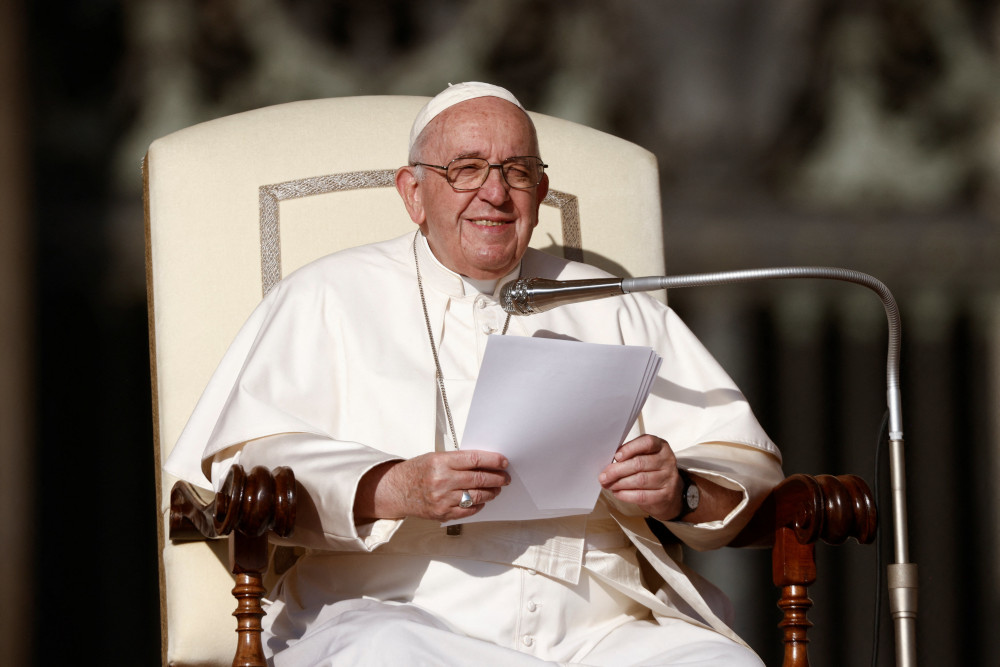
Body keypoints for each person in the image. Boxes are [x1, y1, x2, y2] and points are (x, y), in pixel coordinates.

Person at [165, 82, 784, 666]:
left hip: (599, 630)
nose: (495, 193)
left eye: (518, 172)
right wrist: (393, 487)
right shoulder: (328, 294)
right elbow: (238, 469)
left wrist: (679, 491)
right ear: (412, 192)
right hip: (402, 613)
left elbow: (740, 465)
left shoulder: (609, 301)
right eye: (465, 169)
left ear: (540, 193)